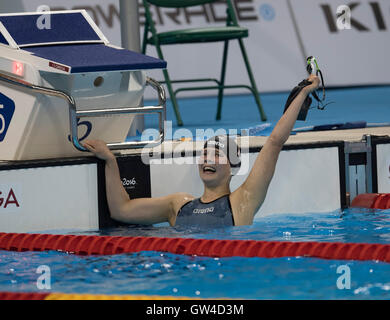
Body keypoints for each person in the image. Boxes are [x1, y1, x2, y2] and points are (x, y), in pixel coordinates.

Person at [83, 75, 320, 227]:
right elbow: (121, 210)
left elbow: (274, 142)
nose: (207, 158)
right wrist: (110, 161)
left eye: (217, 154)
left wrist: (302, 94)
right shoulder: (177, 205)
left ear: (233, 167)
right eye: (205, 153)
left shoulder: (243, 201)